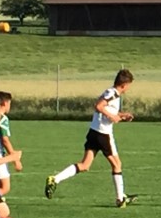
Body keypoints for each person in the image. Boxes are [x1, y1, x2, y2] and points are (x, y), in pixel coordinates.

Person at [45, 69, 137, 208]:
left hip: (94, 132)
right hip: (103, 134)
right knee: (117, 165)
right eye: (129, 85)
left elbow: (106, 108)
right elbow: (99, 106)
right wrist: (112, 117)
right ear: (124, 85)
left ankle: (55, 179)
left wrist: (122, 115)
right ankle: (120, 199)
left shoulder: (112, 94)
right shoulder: (111, 93)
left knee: (84, 165)